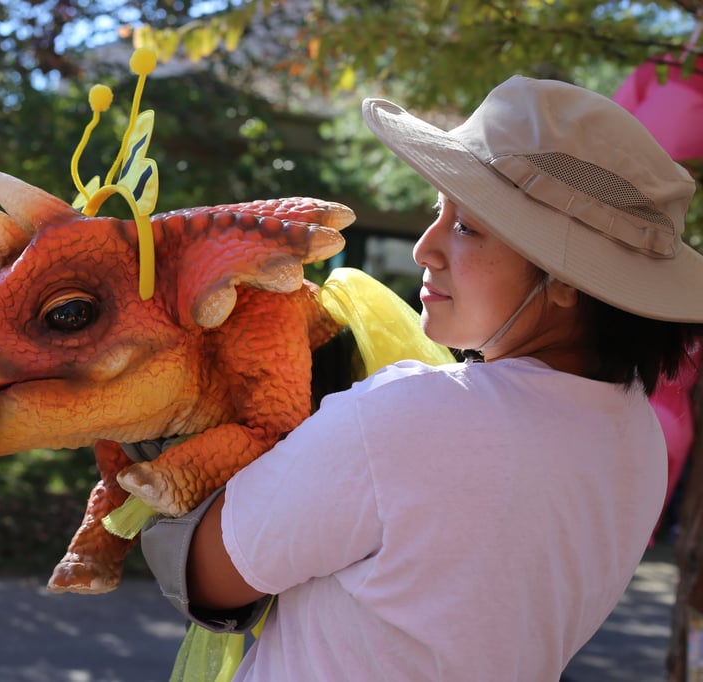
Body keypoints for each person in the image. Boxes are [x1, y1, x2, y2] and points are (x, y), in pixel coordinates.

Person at [140, 75, 703, 681]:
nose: (425, 249)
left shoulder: (412, 415)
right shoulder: (638, 436)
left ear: (567, 278)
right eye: (441, 212)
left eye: (468, 228)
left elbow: (205, 573)